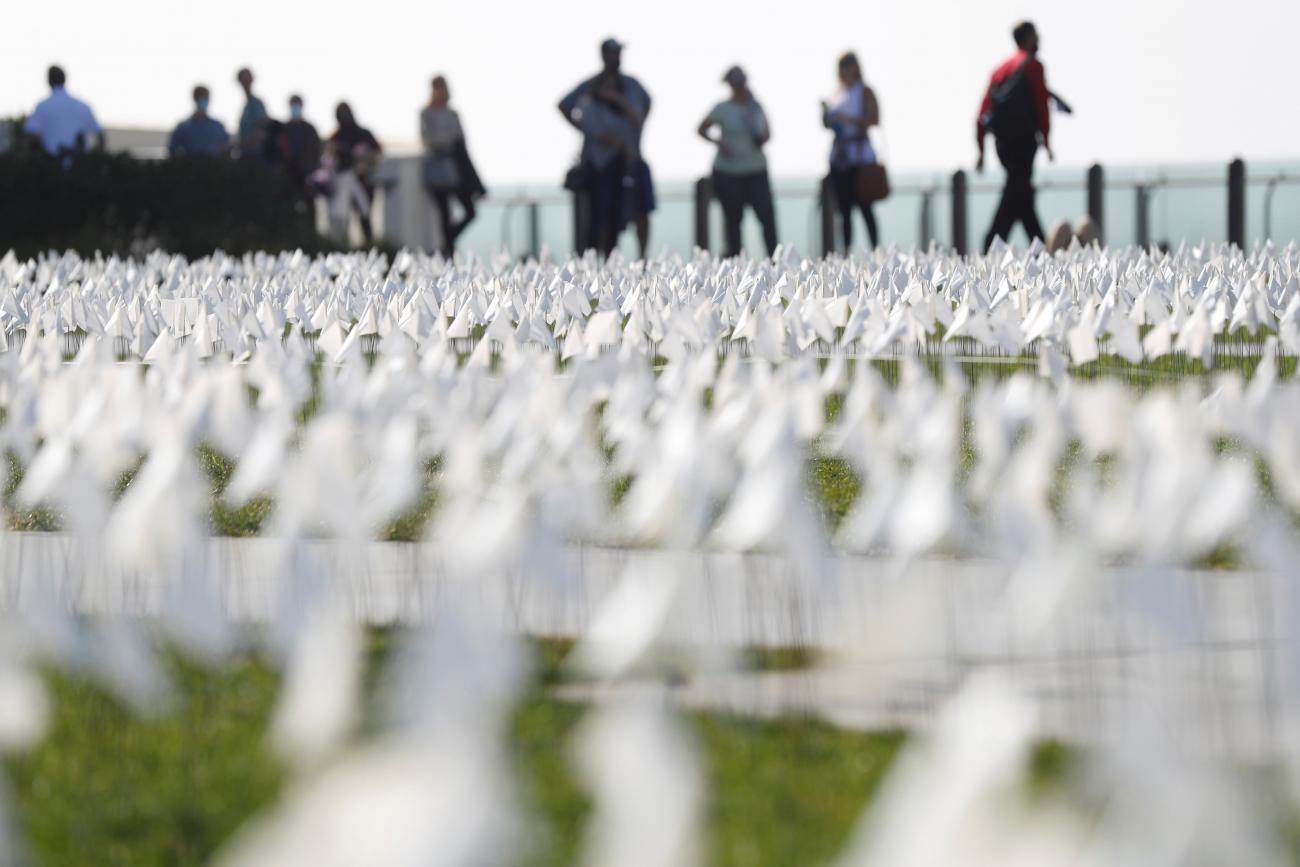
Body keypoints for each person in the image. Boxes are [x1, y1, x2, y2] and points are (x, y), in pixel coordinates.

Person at [558, 38, 652, 257]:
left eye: (618, 53)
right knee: (600, 215)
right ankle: (597, 260)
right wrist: (583, 129)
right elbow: (565, 107)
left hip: (630, 161)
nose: (616, 58)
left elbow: (645, 108)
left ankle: (640, 259)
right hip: (600, 164)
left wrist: (630, 125)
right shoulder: (589, 91)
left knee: (638, 210)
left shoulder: (631, 85)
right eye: (612, 53)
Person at [977, 20, 1052, 252]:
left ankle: (1039, 249)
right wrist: (1047, 141)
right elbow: (1042, 107)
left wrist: (980, 149)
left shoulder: (1000, 70)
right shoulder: (1033, 66)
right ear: (1029, 38)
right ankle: (991, 245)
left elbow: (983, 111)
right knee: (1014, 197)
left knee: (1021, 197)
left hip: (1003, 146)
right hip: (1024, 143)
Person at [698, 65, 777, 258]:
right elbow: (701, 129)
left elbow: (767, 134)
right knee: (733, 222)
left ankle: (775, 261)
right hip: (728, 172)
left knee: (766, 217)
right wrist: (719, 143)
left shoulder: (755, 107)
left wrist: (758, 135)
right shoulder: (722, 108)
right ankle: (735, 265)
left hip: (755, 169)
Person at [420, 75, 486, 257]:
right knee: (444, 214)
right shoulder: (426, 113)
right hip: (437, 169)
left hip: (456, 169)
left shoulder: (452, 113)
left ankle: (448, 243)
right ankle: (448, 250)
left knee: (470, 211)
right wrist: (448, 138)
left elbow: (462, 141)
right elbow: (428, 140)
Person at [822, 52, 881, 251]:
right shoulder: (836, 94)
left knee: (865, 207)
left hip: (860, 156)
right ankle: (845, 252)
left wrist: (848, 119)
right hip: (840, 159)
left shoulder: (864, 91)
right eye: (843, 65)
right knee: (844, 210)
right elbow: (828, 124)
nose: (846, 69)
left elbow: (874, 119)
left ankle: (876, 250)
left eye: (849, 64)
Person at [327, 102, 382, 245]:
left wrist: (364, 165)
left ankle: (369, 247)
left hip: (364, 182)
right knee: (343, 220)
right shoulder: (336, 137)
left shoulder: (364, 134)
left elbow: (377, 153)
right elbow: (329, 160)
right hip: (343, 184)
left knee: (365, 218)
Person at [25, 65, 103, 157]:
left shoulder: (43, 106)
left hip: (52, 164)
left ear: (48, 81)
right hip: (80, 164)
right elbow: (100, 136)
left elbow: (32, 135)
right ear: (65, 79)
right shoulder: (83, 106)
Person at [278, 94, 321, 204]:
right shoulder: (284, 129)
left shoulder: (310, 129)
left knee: (309, 205)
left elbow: (316, 151)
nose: (295, 107)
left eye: (297, 104)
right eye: (293, 105)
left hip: (307, 176)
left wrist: (311, 170)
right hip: (289, 177)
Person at [168, 85, 230, 157]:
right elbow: (172, 149)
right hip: (190, 165)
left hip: (213, 166)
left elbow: (227, 149)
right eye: (199, 97)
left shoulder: (218, 126)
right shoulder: (183, 127)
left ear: (209, 99)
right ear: (194, 99)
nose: (202, 100)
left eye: (205, 97)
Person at [235, 67, 270, 160]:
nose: (245, 83)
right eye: (243, 80)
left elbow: (260, 136)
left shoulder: (257, 104)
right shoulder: (246, 107)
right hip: (246, 157)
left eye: (247, 79)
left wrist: (236, 144)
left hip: (257, 158)